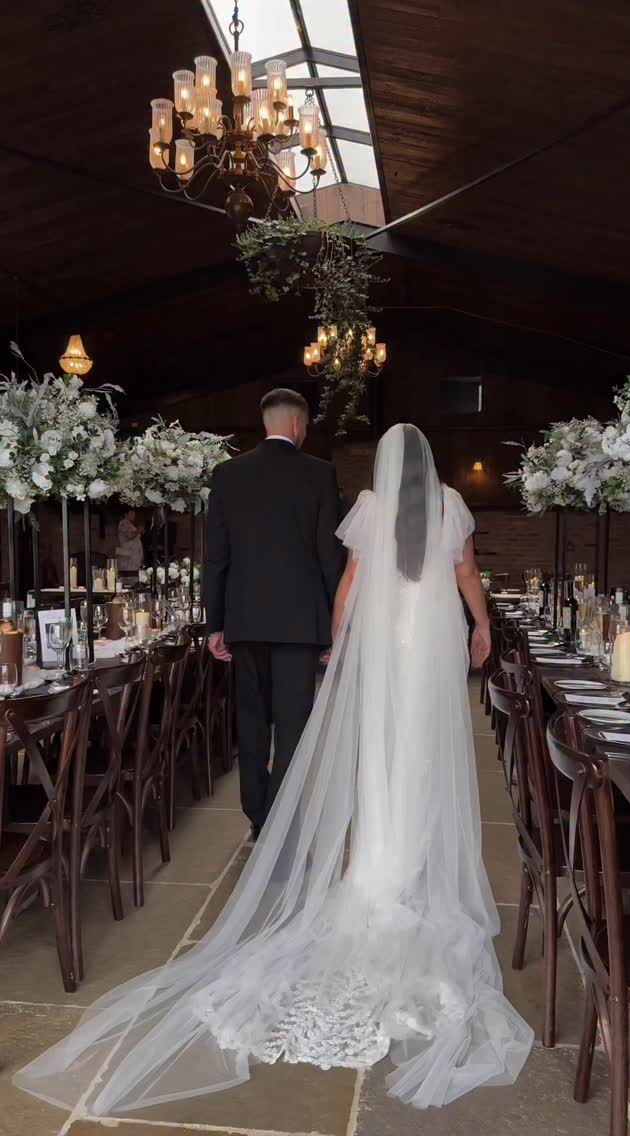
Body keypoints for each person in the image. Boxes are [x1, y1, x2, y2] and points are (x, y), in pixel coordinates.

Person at [15, 423, 533, 1118]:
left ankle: (373, 866)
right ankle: (415, 865)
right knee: (427, 749)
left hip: (385, 642)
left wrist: (340, 644)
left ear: (386, 464)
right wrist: (481, 626)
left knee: (377, 751)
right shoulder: (449, 504)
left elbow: (350, 583)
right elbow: (466, 572)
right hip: (433, 635)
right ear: (432, 463)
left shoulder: (374, 507)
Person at [206, 388, 343, 838]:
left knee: (251, 721)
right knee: (292, 726)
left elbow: (216, 557)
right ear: (299, 424)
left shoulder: (227, 474)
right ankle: (282, 818)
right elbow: (329, 555)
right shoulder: (320, 475)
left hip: (244, 621)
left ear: (267, 422)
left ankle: (256, 815)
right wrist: (333, 625)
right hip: (300, 624)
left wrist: (216, 623)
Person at [115, 509, 144, 574]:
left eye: (134, 514)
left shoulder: (130, 524)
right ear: (126, 515)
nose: (134, 516)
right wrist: (138, 530)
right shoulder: (124, 523)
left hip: (134, 554)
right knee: (129, 574)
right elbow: (129, 536)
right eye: (131, 514)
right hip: (128, 554)